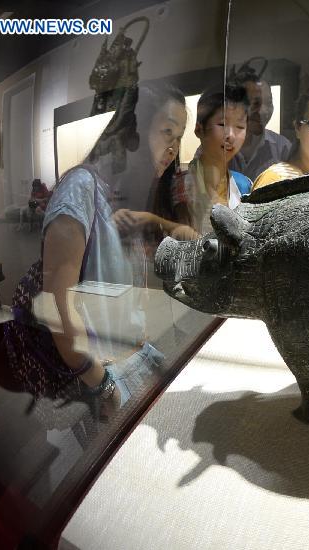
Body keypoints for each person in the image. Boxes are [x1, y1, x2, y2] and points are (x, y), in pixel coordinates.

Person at [39, 83, 192, 413]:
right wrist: (103, 385)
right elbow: (55, 306)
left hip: (136, 354)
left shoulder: (121, 193)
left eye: (179, 137)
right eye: (167, 132)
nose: (173, 148)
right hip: (105, 374)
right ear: (133, 131)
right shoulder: (80, 188)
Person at [171, 85, 251, 235]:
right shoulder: (179, 185)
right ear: (199, 130)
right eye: (222, 124)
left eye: (240, 126)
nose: (231, 135)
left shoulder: (244, 185)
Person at [227, 64, 292, 181]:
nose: (264, 111)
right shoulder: (215, 144)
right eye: (256, 103)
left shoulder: (282, 147)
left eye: (269, 102)